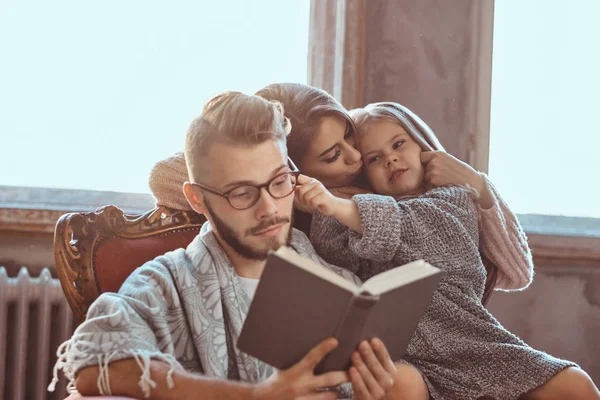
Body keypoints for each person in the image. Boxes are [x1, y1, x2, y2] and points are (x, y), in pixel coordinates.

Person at [49, 92, 410, 400]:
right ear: (197, 199)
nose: (269, 208)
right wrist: (255, 396)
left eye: (279, 182)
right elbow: (95, 365)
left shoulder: (338, 281)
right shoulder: (166, 283)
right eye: (241, 192)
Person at [294, 101, 600, 399]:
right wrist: (327, 206)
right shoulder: (350, 214)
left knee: (576, 384)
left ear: (423, 147)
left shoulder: (451, 199)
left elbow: (412, 227)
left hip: (473, 345)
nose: (390, 159)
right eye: (374, 158)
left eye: (399, 144)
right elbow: (333, 251)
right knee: (398, 383)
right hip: (408, 356)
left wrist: (337, 206)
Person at [151, 83, 533, 298]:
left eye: (350, 137)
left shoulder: (393, 172)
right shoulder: (293, 195)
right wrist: (264, 147)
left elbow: (516, 272)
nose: (355, 156)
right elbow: (162, 178)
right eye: (335, 154)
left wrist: (479, 187)